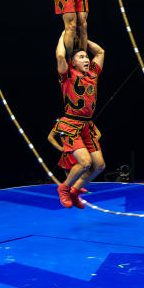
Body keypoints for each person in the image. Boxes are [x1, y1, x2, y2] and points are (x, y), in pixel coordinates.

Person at [51, 31, 106, 210]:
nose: (86, 59)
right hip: (71, 124)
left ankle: (74, 191)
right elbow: (60, 54)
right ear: (72, 62)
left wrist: (84, 40)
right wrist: (63, 35)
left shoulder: (93, 73)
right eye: (81, 57)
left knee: (99, 166)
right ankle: (64, 188)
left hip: (87, 124)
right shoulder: (67, 74)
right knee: (84, 162)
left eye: (86, 57)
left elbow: (100, 52)